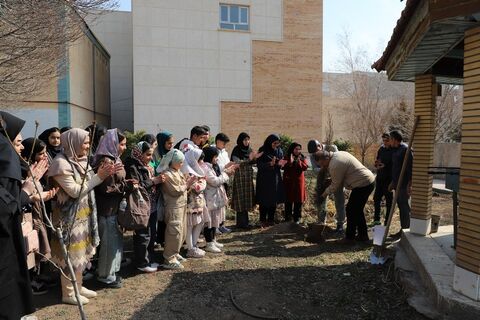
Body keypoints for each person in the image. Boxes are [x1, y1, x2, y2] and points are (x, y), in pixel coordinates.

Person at [48, 128, 117, 305]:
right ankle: (68, 292)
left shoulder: (79, 161)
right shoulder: (60, 164)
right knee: (70, 256)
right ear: (74, 142)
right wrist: (98, 177)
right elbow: (75, 191)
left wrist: (99, 174)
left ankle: (78, 286)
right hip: (67, 220)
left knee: (80, 254)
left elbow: (86, 182)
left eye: (88, 142)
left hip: (82, 217)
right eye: (85, 142)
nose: (88, 146)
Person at [0, 111, 35, 319]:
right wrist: (25, 193)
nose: (21, 147)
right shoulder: (5, 156)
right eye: (18, 140)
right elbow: (5, 209)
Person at [93, 129, 129, 289]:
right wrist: (126, 186)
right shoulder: (106, 161)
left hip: (113, 209)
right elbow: (106, 189)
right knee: (108, 245)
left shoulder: (115, 158)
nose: (124, 147)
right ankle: (105, 276)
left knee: (114, 243)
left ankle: (111, 273)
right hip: (106, 210)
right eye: (122, 144)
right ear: (113, 144)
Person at [315, 150, 375, 244]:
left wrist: (323, 195)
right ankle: (363, 236)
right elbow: (343, 174)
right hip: (366, 181)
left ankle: (349, 238)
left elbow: (335, 185)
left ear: (326, 158)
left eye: (323, 163)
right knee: (357, 210)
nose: (323, 166)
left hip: (363, 184)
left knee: (351, 210)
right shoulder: (337, 154)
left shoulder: (335, 164)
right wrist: (332, 179)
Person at [124, 142, 164, 273]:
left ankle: (149, 259)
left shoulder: (146, 165)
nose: (150, 158)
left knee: (152, 234)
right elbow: (137, 185)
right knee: (143, 235)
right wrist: (154, 181)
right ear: (139, 153)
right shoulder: (132, 166)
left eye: (151, 155)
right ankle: (142, 262)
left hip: (151, 205)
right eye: (147, 154)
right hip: (141, 206)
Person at [158, 149, 189, 269]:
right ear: (173, 162)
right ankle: (169, 258)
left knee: (182, 230)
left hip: (182, 205)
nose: (182, 164)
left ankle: (175, 253)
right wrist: (187, 184)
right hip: (173, 207)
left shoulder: (177, 171)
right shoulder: (167, 174)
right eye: (180, 162)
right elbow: (175, 191)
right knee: (173, 232)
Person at [201, 147, 235, 252]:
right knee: (209, 222)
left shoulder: (213, 166)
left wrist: (225, 171)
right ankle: (209, 243)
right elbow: (215, 181)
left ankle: (213, 240)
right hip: (210, 198)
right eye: (215, 157)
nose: (216, 159)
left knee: (215, 220)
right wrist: (227, 174)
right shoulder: (205, 168)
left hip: (215, 198)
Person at [307, 139, 345, 232]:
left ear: (320, 146)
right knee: (321, 200)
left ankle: (340, 224)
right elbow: (315, 169)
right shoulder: (312, 155)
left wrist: (326, 170)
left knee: (339, 200)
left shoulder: (332, 148)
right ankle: (321, 222)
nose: (315, 155)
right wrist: (324, 169)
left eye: (316, 152)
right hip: (322, 178)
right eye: (313, 153)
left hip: (335, 177)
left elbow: (338, 164)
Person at [230, 132, 261, 229]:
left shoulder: (250, 150)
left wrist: (255, 159)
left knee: (247, 199)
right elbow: (237, 162)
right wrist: (249, 160)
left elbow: (253, 162)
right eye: (245, 140)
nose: (247, 142)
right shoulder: (236, 149)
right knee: (240, 200)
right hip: (240, 178)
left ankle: (246, 222)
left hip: (248, 178)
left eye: (248, 139)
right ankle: (240, 224)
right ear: (240, 140)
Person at [181, 149, 207, 258]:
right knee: (190, 225)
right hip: (190, 203)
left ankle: (194, 245)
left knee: (199, 223)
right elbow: (195, 186)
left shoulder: (197, 169)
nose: (201, 162)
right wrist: (200, 184)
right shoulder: (186, 169)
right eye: (200, 159)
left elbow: (202, 183)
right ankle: (190, 248)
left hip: (199, 202)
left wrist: (201, 184)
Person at [256, 134, 287, 227]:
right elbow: (259, 165)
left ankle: (270, 219)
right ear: (269, 142)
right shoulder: (262, 150)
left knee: (273, 200)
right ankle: (262, 220)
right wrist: (270, 163)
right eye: (274, 143)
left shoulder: (279, 150)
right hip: (264, 179)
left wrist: (281, 164)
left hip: (275, 179)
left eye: (277, 143)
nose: (276, 145)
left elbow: (279, 162)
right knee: (264, 200)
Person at [389, 130, 413, 234]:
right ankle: (402, 229)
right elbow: (396, 168)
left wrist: (409, 184)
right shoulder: (396, 150)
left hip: (404, 185)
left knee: (404, 207)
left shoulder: (405, 150)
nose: (389, 141)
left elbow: (411, 169)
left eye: (390, 139)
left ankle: (405, 231)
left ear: (394, 139)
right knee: (400, 206)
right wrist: (393, 182)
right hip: (397, 184)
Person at [155, 131, 174, 247]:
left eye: (172, 143)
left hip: (169, 188)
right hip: (159, 188)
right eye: (168, 143)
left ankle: (164, 239)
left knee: (167, 215)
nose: (171, 145)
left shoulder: (171, 153)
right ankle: (158, 239)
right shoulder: (156, 154)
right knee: (160, 215)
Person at [283, 142, 308, 223]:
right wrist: (290, 161)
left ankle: (297, 218)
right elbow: (283, 166)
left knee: (298, 201)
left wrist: (298, 161)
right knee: (288, 201)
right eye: (296, 149)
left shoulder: (301, 157)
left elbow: (305, 167)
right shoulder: (286, 156)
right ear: (292, 149)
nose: (298, 151)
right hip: (289, 182)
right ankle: (288, 218)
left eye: (299, 149)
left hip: (298, 183)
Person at [373, 133, 393, 226]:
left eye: (387, 141)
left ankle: (387, 222)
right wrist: (377, 164)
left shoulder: (394, 151)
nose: (385, 143)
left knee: (389, 201)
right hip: (380, 178)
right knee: (376, 199)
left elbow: (395, 165)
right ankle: (376, 220)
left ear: (391, 140)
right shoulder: (381, 149)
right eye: (383, 141)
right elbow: (378, 160)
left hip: (388, 180)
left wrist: (386, 166)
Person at [215, 132, 234, 234]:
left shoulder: (224, 152)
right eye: (224, 143)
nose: (224, 145)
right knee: (217, 204)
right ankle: (216, 226)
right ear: (218, 141)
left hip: (225, 179)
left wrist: (230, 167)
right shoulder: (214, 151)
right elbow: (216, 166)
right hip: (217, 180)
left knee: (223, 204)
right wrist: (226, 167)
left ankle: (222, 224)